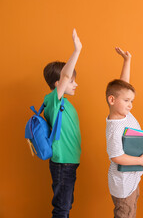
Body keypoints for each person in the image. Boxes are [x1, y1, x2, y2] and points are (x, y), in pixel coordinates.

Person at [105, 47, 143, 218]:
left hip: (131, 179)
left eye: (131, 101)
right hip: (123, 183)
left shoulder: (123, 112)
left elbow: (122, 88)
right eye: (127, 101)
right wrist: (140, 160)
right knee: (125, 213)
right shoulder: (115, 126)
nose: (130, 105)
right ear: (112, 100)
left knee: (131, 212)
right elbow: (115, 156)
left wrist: (127, 61)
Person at [43, 29, 82, 218]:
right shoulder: (53, 100)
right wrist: (77, 51)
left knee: (66, 205)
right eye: (71, 80)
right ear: (58, 83)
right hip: (62, 163)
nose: (75, 84)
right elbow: (65, 77)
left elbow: (65, 78)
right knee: (62, 208)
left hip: (69, 163)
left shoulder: (66, 104)